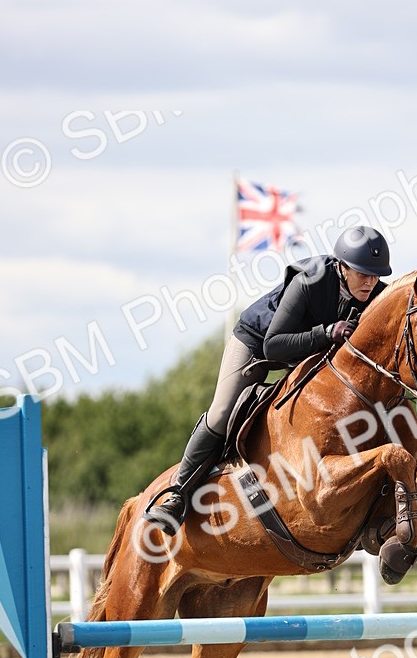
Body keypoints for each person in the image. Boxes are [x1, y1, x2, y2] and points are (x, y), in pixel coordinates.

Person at [144, 225, 392, 534]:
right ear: (342, 267)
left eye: (376, 275)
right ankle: (176, 494)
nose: (370, 282)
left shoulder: (377, 296)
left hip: (308, 354)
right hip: (259, 340)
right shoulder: (310, 281)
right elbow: (273, 344)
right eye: (362, 273)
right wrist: (327, 332)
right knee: (223, 412)